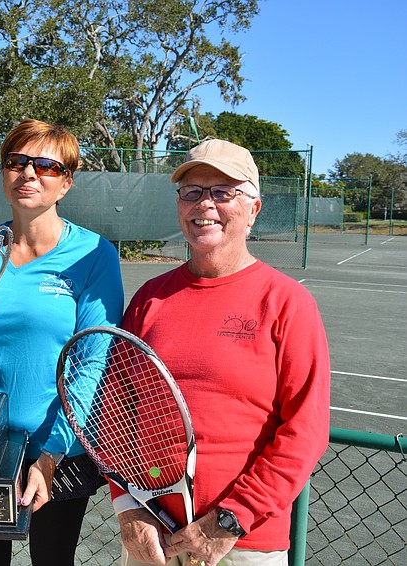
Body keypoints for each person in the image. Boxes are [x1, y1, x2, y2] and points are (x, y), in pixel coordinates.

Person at [110, 139, 331, 566]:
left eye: (223, 192)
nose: (204, 204)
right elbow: (116, 415)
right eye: (192, 191)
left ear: (253, 208)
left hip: (241, 543)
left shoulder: (287, 303)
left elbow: (305, 430)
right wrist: (129, 508)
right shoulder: (148, 300)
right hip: (153, 537)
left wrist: (228, 521)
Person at [0, 119, 125, 565]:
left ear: (66, 183)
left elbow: (94, 362)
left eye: (46, 166)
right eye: (16, 162)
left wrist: (51, 453)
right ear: (3, 173)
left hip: (60, 448)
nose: (28, 173)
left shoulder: (94, 255)